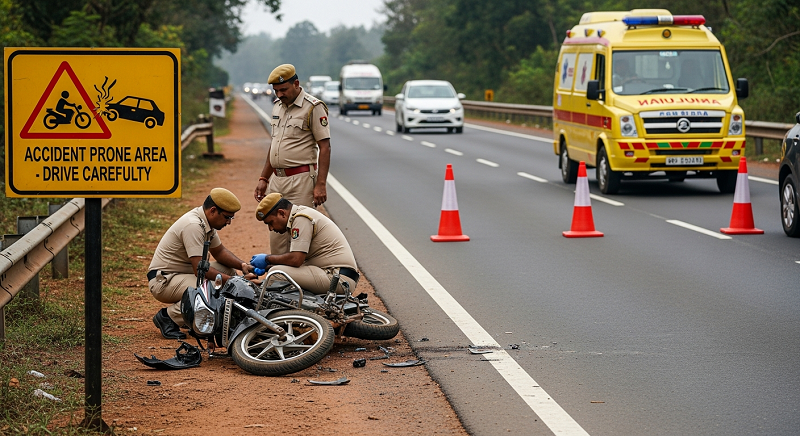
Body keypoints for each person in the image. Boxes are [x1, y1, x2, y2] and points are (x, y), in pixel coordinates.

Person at [148, 188, 257, 339]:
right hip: (164, 281)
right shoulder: (193, 225)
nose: (229, 222)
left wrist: (242, 265)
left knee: (226, 270)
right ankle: (168, 317)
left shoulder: (205, 222)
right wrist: (235, 281)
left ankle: (196, 317)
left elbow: (219, 252)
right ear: (213, 211)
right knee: (211, 289)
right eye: (227, 217)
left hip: (181, 274)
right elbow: (200, 270)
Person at [253, 64, 331, 257]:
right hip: (277, 181)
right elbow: (275, 145)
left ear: (296, 84)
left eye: (283, 89)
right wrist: (264, 178)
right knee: (276, 235)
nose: (280, 94)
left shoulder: (313, 107)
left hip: (301, 181)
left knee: (300, 233)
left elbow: (325, 147)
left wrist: (321, 184)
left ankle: (305, 275)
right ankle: (280, 275)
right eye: (276, 91)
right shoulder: (278, 106)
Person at [250, 193, 359, 294]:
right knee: (276, 271)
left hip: (338, 278)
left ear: (282, 213)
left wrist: (267, 259)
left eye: (270, 222)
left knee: (276, 273)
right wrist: (267, 267)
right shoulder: (298, 216)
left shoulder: (301, 219)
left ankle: (266, 304)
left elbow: (296, 260)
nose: (270, 228)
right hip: (332, 274)